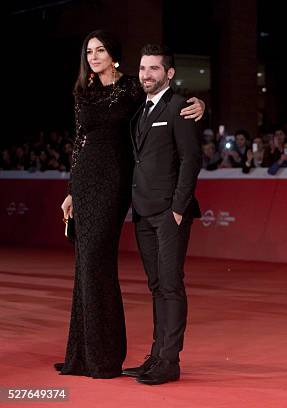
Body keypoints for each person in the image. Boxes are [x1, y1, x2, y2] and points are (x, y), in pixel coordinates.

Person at [55, 30, 204, 379]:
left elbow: (172, 108)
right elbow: (79, 143)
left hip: (120, 186)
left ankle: (119, 357)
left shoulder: (134, 89)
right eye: (88, 51)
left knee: (106, 263)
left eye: (100, 49)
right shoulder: (84, 92)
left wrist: (201, 105)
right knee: (92, 267)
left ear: (114, 54)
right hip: (92, 185)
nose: (93, 56)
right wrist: (72, 190)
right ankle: (87, 355)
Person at [121, 44, 201, 385]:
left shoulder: (180, 106)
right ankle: (156, 356)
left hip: (169, 214)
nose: (146, 75)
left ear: (168, 73)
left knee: (170, 286)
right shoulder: (140, 110)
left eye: (154, 69)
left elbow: (191, 159)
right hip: (142, 213)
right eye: (142, 68)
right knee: (156, 286)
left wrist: (179, 210)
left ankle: (170, 361)